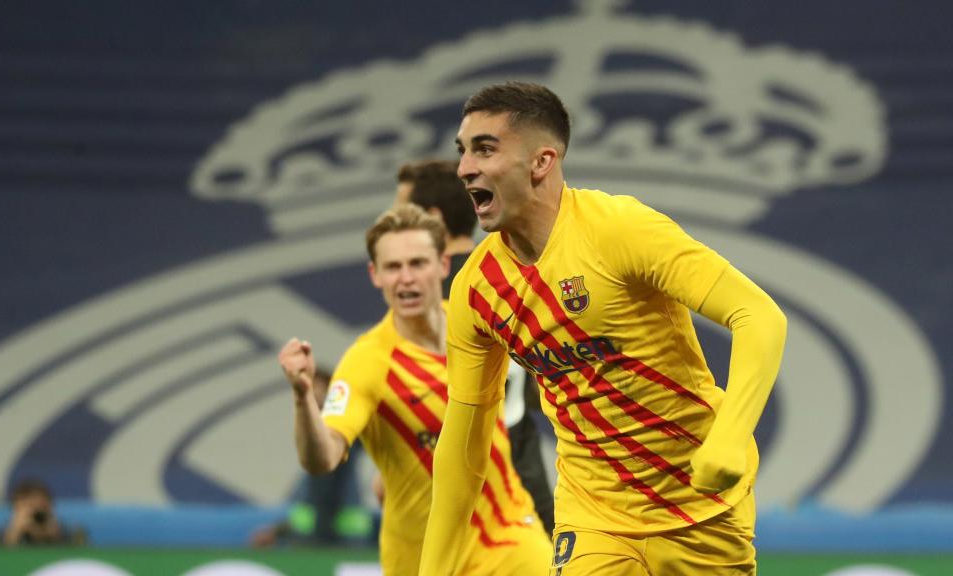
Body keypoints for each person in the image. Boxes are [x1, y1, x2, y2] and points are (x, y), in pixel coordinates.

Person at [419, 82, 787, 575]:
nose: (465, 168)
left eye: (485, 149)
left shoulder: (619, 230)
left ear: (541, 161)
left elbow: (758, 316)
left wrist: (729, 437)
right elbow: (463, 443)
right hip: (592, 516)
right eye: (462, 151)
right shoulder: (475, 290)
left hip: (698, 506)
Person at [279, 204, 550, 576]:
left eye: (417, 263)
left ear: (441, 264)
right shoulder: (367, 363)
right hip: (423, 559)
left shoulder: (481, 326)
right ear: (376, 275)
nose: (406, 278)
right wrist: (301, 397)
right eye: (393, 267)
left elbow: (543, 386)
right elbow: (321, 458)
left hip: (510, 537)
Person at [396, 159, 556, 535]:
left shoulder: (426, 296)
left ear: (433, 218)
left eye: (404, 215)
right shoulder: (513, 271)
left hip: (466, 459)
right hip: (522, 456)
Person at [250, 366, 373, 548]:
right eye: (308, 391)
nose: (313, 396)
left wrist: (318, 539)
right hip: (313, 539)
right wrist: (278, 531)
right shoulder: (313, 439)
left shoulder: (337, 435)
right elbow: (306, 503)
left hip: (336, 542)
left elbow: (325, 494)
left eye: (318, 390)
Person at [0, 478, 86, 547]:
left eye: (40, 507)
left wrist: (57, 538)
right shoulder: (2, 535)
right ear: (15, 509)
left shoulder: (73, 533)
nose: (35, 514)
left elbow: (80, 563)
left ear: (50, 507)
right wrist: (13, 536)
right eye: (28, 507)